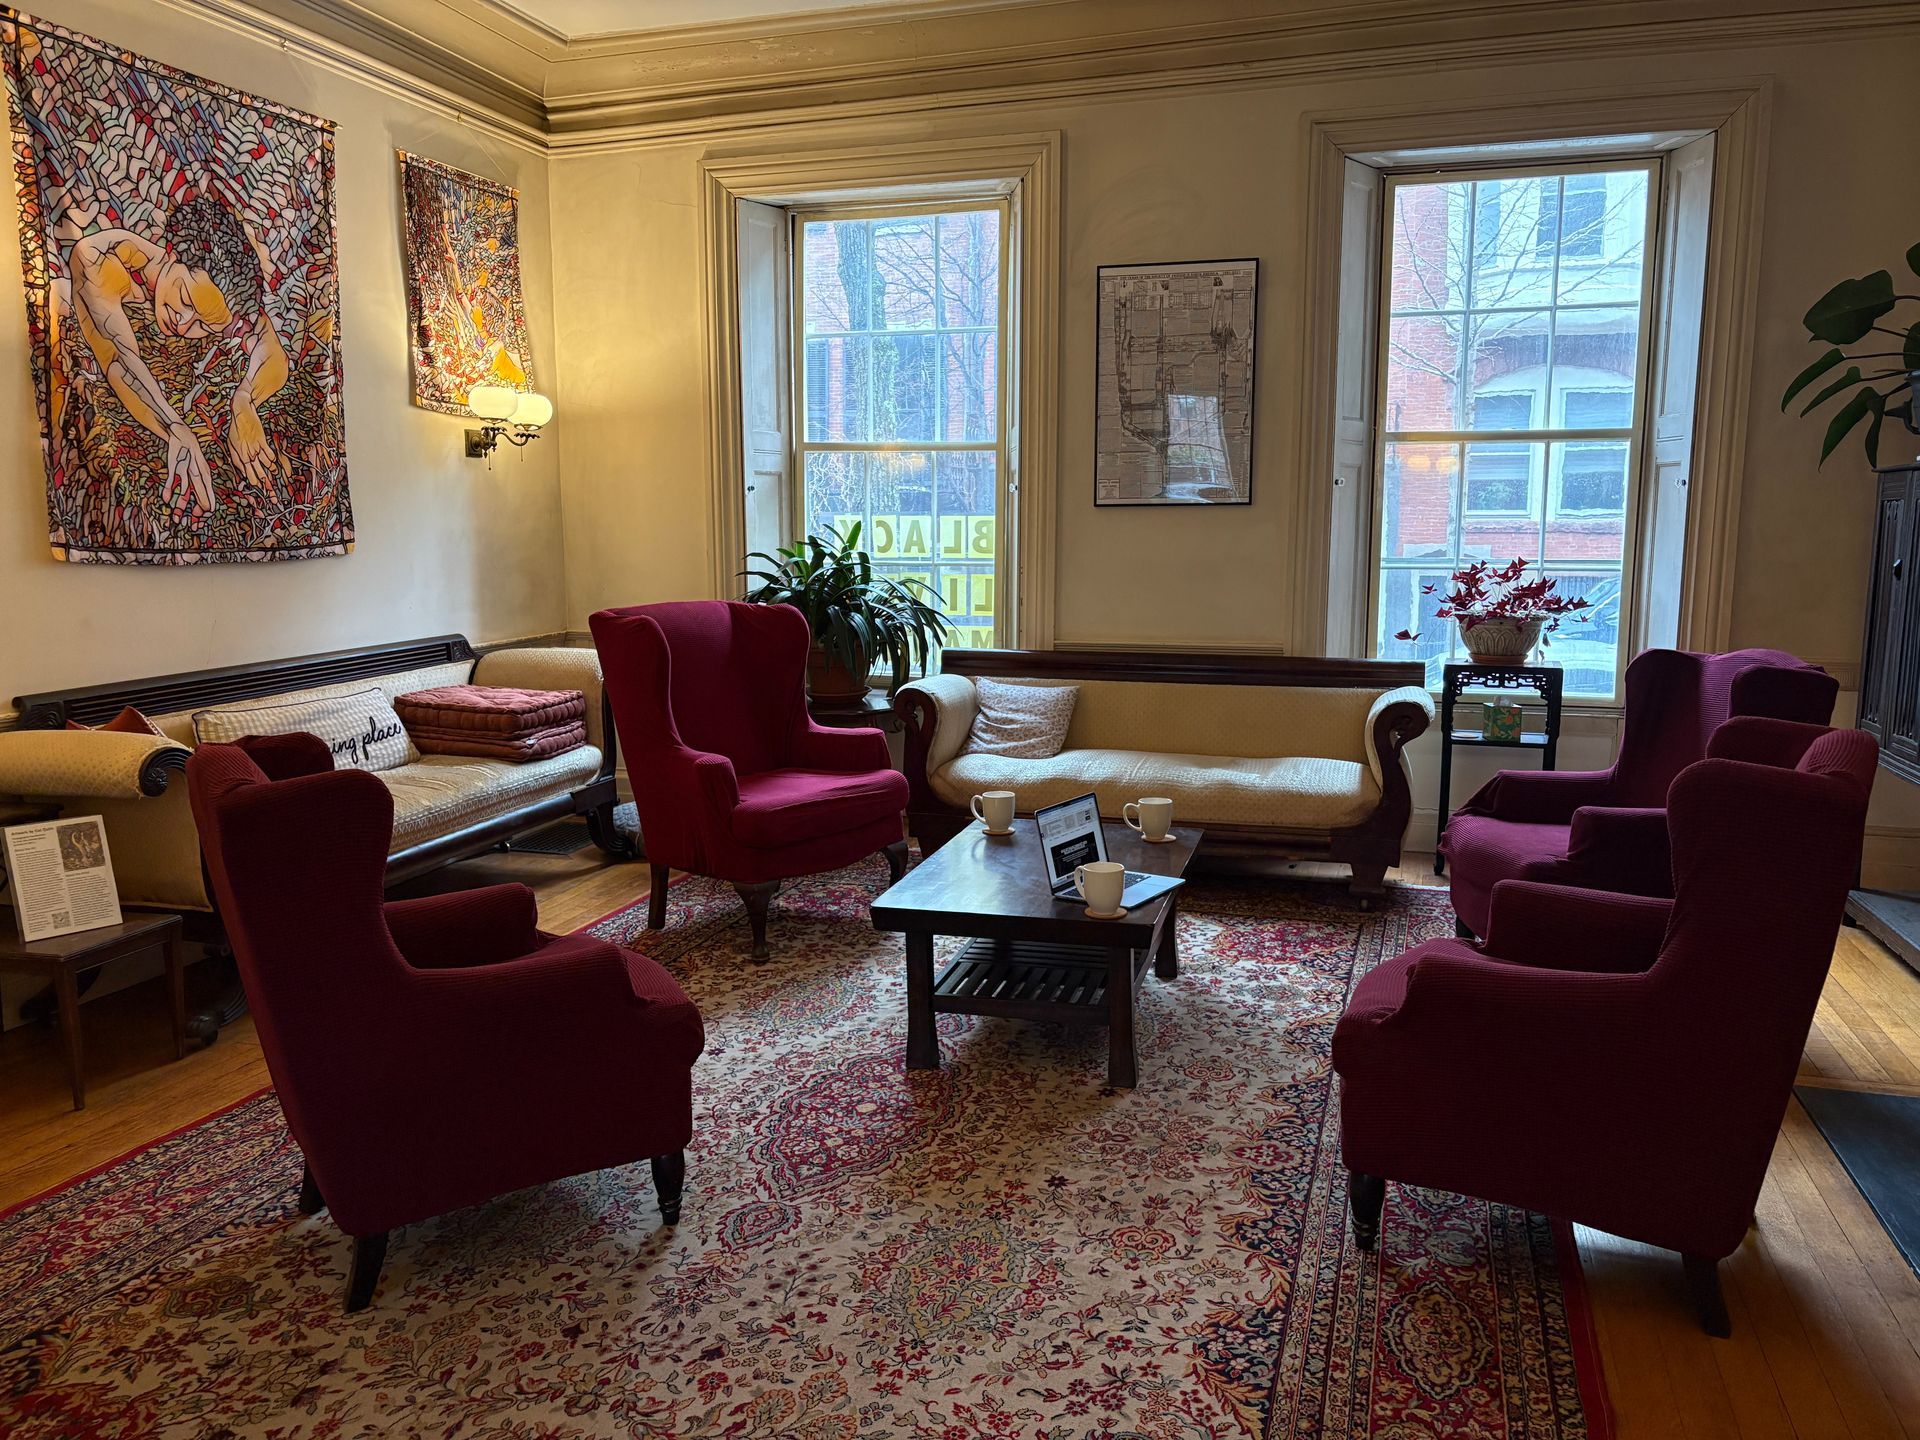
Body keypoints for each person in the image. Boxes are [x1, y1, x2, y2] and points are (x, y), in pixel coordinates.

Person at [55, 193, 287, 517]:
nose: (183, 322)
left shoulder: (225, 301)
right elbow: (119, 359)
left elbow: (273, 353)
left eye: (204, 325)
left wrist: (245, 399)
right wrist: (175, 427)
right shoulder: (102, 258)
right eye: (186, 300)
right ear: (172, 252)